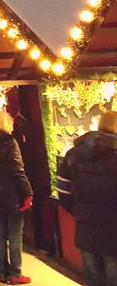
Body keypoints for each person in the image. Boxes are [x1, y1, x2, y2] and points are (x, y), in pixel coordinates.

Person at [57, 110, 117, 286]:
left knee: (92, 277)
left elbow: (63, 188)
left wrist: (77, 210)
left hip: (85, 226)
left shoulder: (74, 153)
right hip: (113, 229)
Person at [0, 111, 33, 285]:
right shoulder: (10, 143)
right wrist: (27, 192)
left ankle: (3, 272)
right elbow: (18, 170)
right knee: (15, 234)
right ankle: (15, 273)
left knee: (0, 234)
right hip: (12, 194)